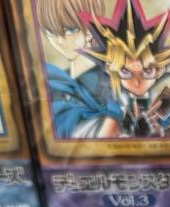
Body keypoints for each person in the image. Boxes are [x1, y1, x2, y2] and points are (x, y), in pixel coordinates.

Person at [80, 0, 170, 138]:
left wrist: (156, 133)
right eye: (126, 72)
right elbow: (104, 142)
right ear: (112, 71)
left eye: (147, 71)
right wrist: (130, 134)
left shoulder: (168, 100)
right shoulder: (114, 104)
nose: (137, 82)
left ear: (159, 70)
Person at [38, 0, 114, 139]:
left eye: (70, 30)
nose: (60, 41)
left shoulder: (112, 82)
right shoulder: (54, 81)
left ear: (92, 27)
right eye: (50, 31)